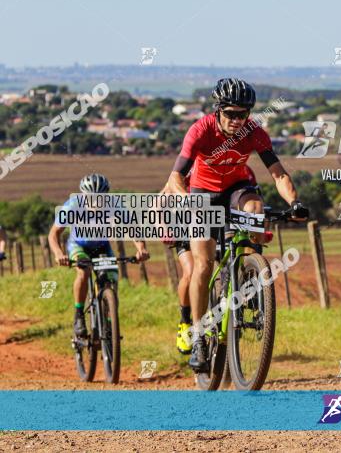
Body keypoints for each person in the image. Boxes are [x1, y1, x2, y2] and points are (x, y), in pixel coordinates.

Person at [165, 78, 305, 373]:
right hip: (202, 192)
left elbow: (278, 173)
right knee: (202, 266)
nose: (236, 120)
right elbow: (176, 177)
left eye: (243, 114)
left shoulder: (254, 132)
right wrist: (187, 201)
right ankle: (200, 335)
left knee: (254, 209)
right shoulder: (200, 130)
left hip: (237, 188)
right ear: (218, 111)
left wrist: (294, 203)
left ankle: (247, 274)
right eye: (230, 114)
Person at [166, 165, 260, 355]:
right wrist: (164, 227)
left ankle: (243, 293)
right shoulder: (190, 171)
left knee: (240, 248)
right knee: (192, 271)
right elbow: (160, 202)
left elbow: (250, 200)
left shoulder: (243, 171)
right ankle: (186, 322)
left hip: (220, 219)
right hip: (186, 223)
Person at [49, 174, 150, 339]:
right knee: (84, 271)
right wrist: (59, 254)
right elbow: (53, 234)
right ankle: (79, 314)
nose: (96, 202)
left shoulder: (115, 206)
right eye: (91, 198)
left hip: (102, 246)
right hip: (78, 246)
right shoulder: (72, 206)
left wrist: (141, 249)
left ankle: (109, 321)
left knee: (111, 280)